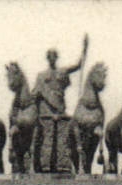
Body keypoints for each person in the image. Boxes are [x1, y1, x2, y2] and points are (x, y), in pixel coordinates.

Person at [33, 35, 88, 172]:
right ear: (47, 58)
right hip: (46, 113)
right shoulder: (41, 76)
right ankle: (45, 166)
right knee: (47, 140)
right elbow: (35, 93)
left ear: (56, 58)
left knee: (62, 141)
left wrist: (84, 49)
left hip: (60, 111)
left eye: (54, 56)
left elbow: (78, 65)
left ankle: (62, 166)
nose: (52, 58)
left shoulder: (62, 71)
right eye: (50, 56)